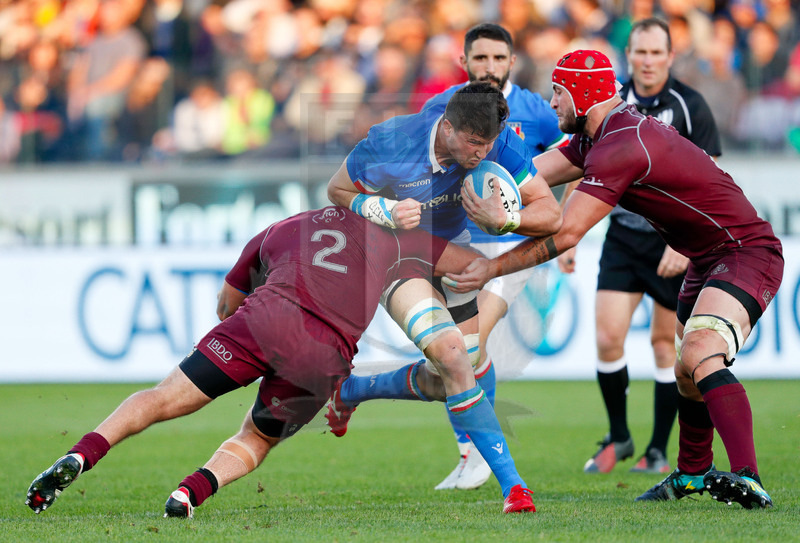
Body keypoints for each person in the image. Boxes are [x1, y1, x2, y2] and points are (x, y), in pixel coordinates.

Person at [25, 206, 535, 517]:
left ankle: (84, 452)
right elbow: (474, 267)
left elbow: (227, 303)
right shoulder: (398, 240)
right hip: (324, 357)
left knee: (161, 398)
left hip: (261, 321)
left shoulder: (282, 227)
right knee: (255, 436)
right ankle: (188, 492)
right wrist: (506, 237)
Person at [446, 49, 782, 509]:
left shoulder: (621, 144)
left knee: (702, 352)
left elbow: (564, 232)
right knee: (687, 372)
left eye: (558, 93)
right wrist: (451, 184)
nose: (552, 105)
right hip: (706, 256)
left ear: (581, 96)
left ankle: (748, 478)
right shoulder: (596, 138)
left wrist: (497, 245)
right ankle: (692, 473)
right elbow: (525, 175)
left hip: (745, 251)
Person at [324, 83, 561, 491]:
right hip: (394, 254)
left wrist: (505, 218)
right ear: (447, 128)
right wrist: (382, 209)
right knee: (454, 359)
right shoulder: (393, 141)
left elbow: (551, 213)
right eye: (473, 143)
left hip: (452, 253)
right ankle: (514, 488)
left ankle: (352, 389)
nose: (482, 154)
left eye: (487, 144)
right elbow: (337, 190)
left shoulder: (500, 141)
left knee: (452, 372)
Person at [556, 17, 722, 475]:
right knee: (608, 337)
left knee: (665, 345)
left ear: (671, 57)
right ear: (628, 56)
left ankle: (656, 450)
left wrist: (687, 244)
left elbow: (709, 182)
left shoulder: (690, 106)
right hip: (624, 238)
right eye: (640, 52)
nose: (647, 61)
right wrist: (570, 232)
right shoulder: (606, 102)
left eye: (656, 53)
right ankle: (619, 436)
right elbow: (581, 163)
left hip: (670, 242)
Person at [421, 23, 567, 491]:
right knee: (450, 356)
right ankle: (469, 453)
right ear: (464, 62)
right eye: (479, 58)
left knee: (470, 344)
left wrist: (569, 232)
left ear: (511, 63)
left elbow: (576, 162)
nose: (488, 67)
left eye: (497, 59)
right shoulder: (438, 111)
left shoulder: (537, 113)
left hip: (509, 246)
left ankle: (481, 455)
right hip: (453, 246)